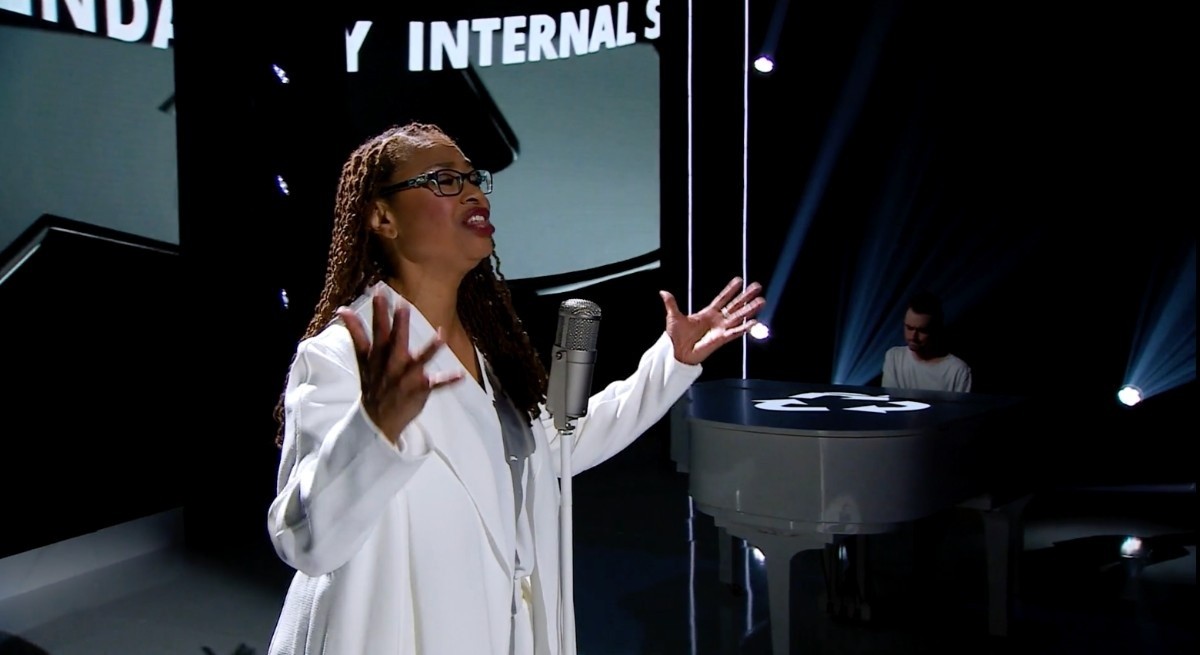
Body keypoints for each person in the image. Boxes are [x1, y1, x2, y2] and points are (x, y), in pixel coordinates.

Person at [264, 121, 765, 655]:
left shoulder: (487, 354)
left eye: (472, 177)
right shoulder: (341, 356)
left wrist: (671, 362)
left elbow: (558, 445)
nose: (474, 193)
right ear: (383, 217)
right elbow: (305, 540)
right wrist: (374, 431)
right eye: (443, 180)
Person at [880, 290, 972, 392]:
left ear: (936, 329)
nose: (913, 337)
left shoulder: (958, 371)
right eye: (909, 328)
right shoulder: (894, 357)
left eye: (922, 331)